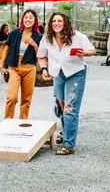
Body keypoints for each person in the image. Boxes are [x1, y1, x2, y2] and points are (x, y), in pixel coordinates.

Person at [37, 11, 95, 155]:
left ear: (65, 23)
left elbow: (92, 50)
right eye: (54, 21)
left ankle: (69, 144)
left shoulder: (76, 36)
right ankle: (65, 132)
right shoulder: (47, 38)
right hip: (58, 74)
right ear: (51, 24)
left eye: (60, 21)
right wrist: (44, 69)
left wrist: (84, 53)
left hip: (76, 73)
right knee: (61, 107)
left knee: (70, 108)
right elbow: (41, 56)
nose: (56, 23)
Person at [0, 9, 42, 119]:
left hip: (30, 67)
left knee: (26, 98)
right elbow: (6, 49)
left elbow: (40, 55)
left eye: (31, 18)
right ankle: (7, 122)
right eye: (26, 17)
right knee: (11, 97)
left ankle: (22, 122)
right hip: (14, 66)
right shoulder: (15, 33)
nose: (28, 19)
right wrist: (1, 65)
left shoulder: (38, 36)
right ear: (23, 19)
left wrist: (34, 45)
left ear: (35, 20)